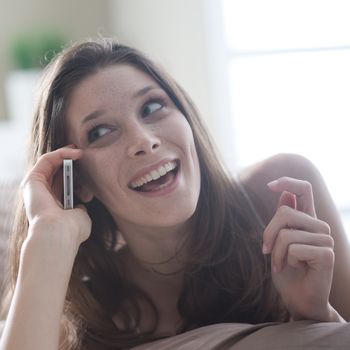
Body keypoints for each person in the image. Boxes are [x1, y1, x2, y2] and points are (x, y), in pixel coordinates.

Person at [0, 37, 349, 350]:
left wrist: (316, 314)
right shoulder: (80, 312)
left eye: (152, 108)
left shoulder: (279, 192)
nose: (144, 141)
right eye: (101, 131)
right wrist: (48, 235)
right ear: (78, 179)